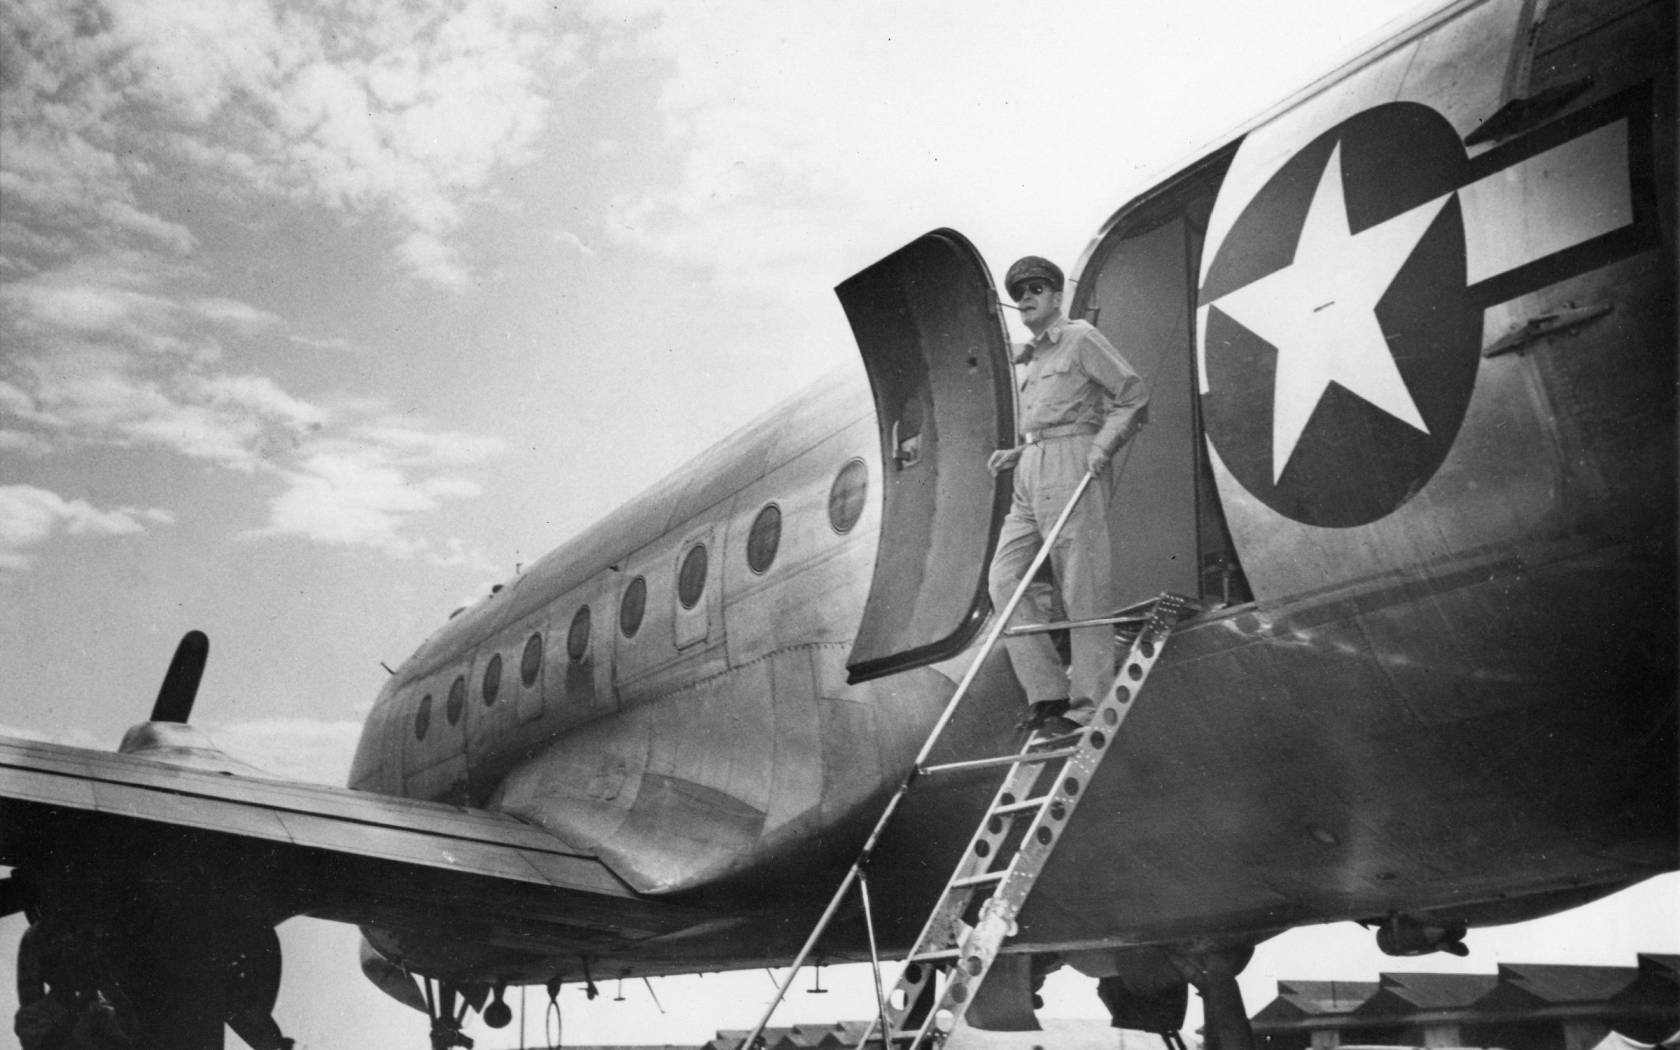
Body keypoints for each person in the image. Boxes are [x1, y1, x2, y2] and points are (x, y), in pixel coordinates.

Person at [987, 255, 1148, 737]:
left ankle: (1087, 703)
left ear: (1057, 296)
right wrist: (1018, 453)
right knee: (1004, 578)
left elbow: (1133, 393)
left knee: (1081, 583)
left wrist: (1101, 446)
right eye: (1020, 292)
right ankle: (1047, 692)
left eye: (1038, 288)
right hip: (1031, 469)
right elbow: (1049, 415)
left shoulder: (1079, 338)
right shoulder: (1033, 356)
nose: (1027, 297)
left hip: (1071, 462)